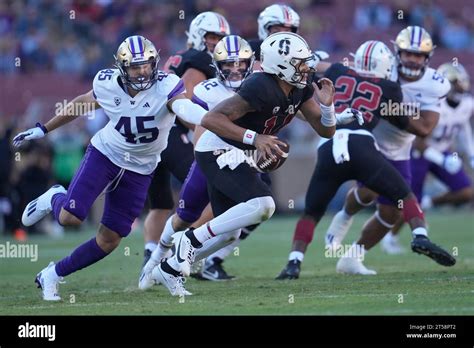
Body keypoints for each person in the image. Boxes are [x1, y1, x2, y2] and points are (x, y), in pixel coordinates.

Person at [151, 32, 363, 296]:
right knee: (264, 205)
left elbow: (325, 131)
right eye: (301, 62)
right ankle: (189, 240)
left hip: (240, 151)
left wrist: (328, 107)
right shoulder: (260, 86)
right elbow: (212, 120)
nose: (307, 68)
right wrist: (256, 138)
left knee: (230, 234)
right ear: (282, 64)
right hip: (217, 149)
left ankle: (169, 269)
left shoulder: (300, 87)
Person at [13, 35, 207, 300]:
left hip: (141, 168)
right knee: (70, 217)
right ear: (121, 68)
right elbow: (82, 103)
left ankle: (52, 274)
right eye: (135, 67)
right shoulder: (107, 83)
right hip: (106, 154)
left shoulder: (168, 86)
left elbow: (183, 107)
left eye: (147, 65)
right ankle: (55, 197)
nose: (142, 72)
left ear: (154, 63)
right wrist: (44, 128)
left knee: (110, 240)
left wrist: (206, 117)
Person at [276, 40, 454, 279]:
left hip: (329, 144)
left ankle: (294, 263)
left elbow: (321, 68)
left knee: (311, 211)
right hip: (362, 144)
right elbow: (412, 125)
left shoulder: (338, 71)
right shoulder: (389, 88)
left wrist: (311, 63)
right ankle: (420, 235)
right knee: (404, 194)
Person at [324, 26, 456, 273]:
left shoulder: (434, 83)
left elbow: (425, 127)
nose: (412, 59)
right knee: (371, 193)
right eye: (408, 53)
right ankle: (344, 215)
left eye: (418, 55)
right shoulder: (383, 67)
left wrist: (393, 111)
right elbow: (343, 72)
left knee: (391, 211)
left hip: (400, 147)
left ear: (427, 57)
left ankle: (352, 257)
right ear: (397, 52)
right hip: (369, 138)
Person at [139, 34, 255, 289]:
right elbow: (201, 128)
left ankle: (172, 263)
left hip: (236, 162)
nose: (235, 69)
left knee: (232, 230)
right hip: (208, 159)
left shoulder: (258, 88)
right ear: (217, 65)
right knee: (182, 217)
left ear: (250, 63)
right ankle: (155, 260)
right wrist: (202, 160)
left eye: (240, 63)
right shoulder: (207, 89)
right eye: (228, 64)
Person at [140, 11, 230, 271]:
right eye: (212, 36)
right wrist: (210, 130)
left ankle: (150, 253)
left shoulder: (178, 56)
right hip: (172, 134)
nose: (216, 42)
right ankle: (182, 248)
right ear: (198, 35)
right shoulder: (200, 59)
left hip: (152, 135)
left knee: (161, 203)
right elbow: (187, 102)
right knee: (211, 190)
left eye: (220, 37)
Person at [381, 62, 474, 254]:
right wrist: (443, 160)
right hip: (420, 155)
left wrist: (471, 154)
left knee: (466, 192)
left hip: (443, 151)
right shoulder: (433, 106)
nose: (461, 85)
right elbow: (419, 144)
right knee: (406, 202)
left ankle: (427, 203)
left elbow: (463, 128)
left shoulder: (467, 104)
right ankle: (391, 237)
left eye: (461, 81)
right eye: (456, 82)